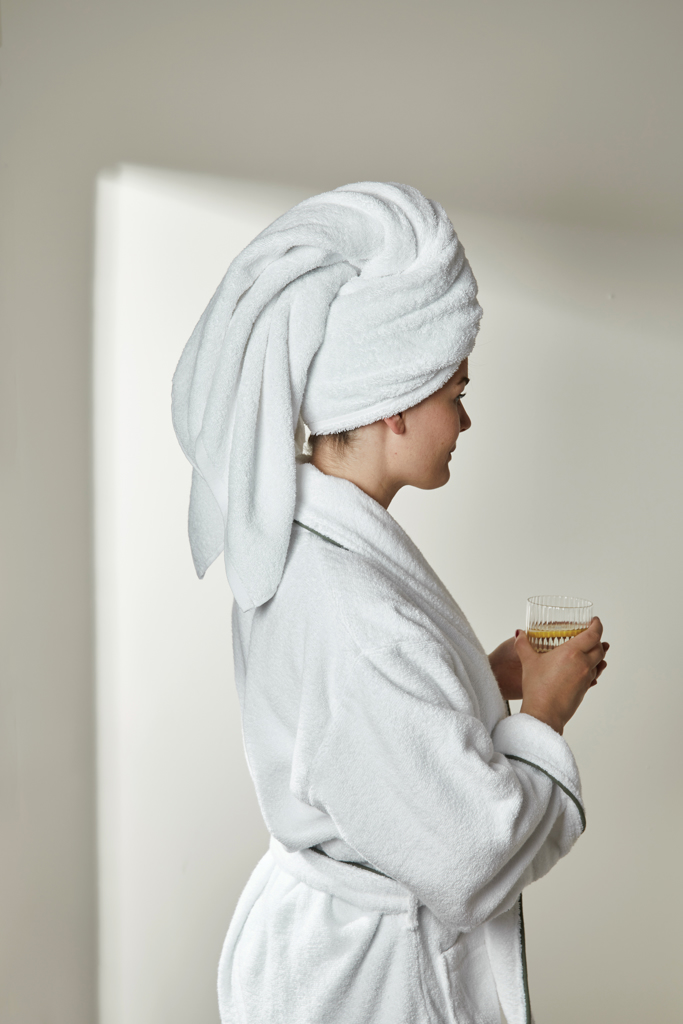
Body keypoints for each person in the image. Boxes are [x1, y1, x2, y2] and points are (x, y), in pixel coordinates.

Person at [172, 182, 607, 1024]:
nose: (465, 422)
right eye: (455, 394)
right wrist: (543, 717)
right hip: (368, 988)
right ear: (395, 404)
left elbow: (360, 734)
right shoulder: (354, 611)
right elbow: (469, 854)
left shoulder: (302, 543)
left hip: (315, 953)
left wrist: (480, 677)